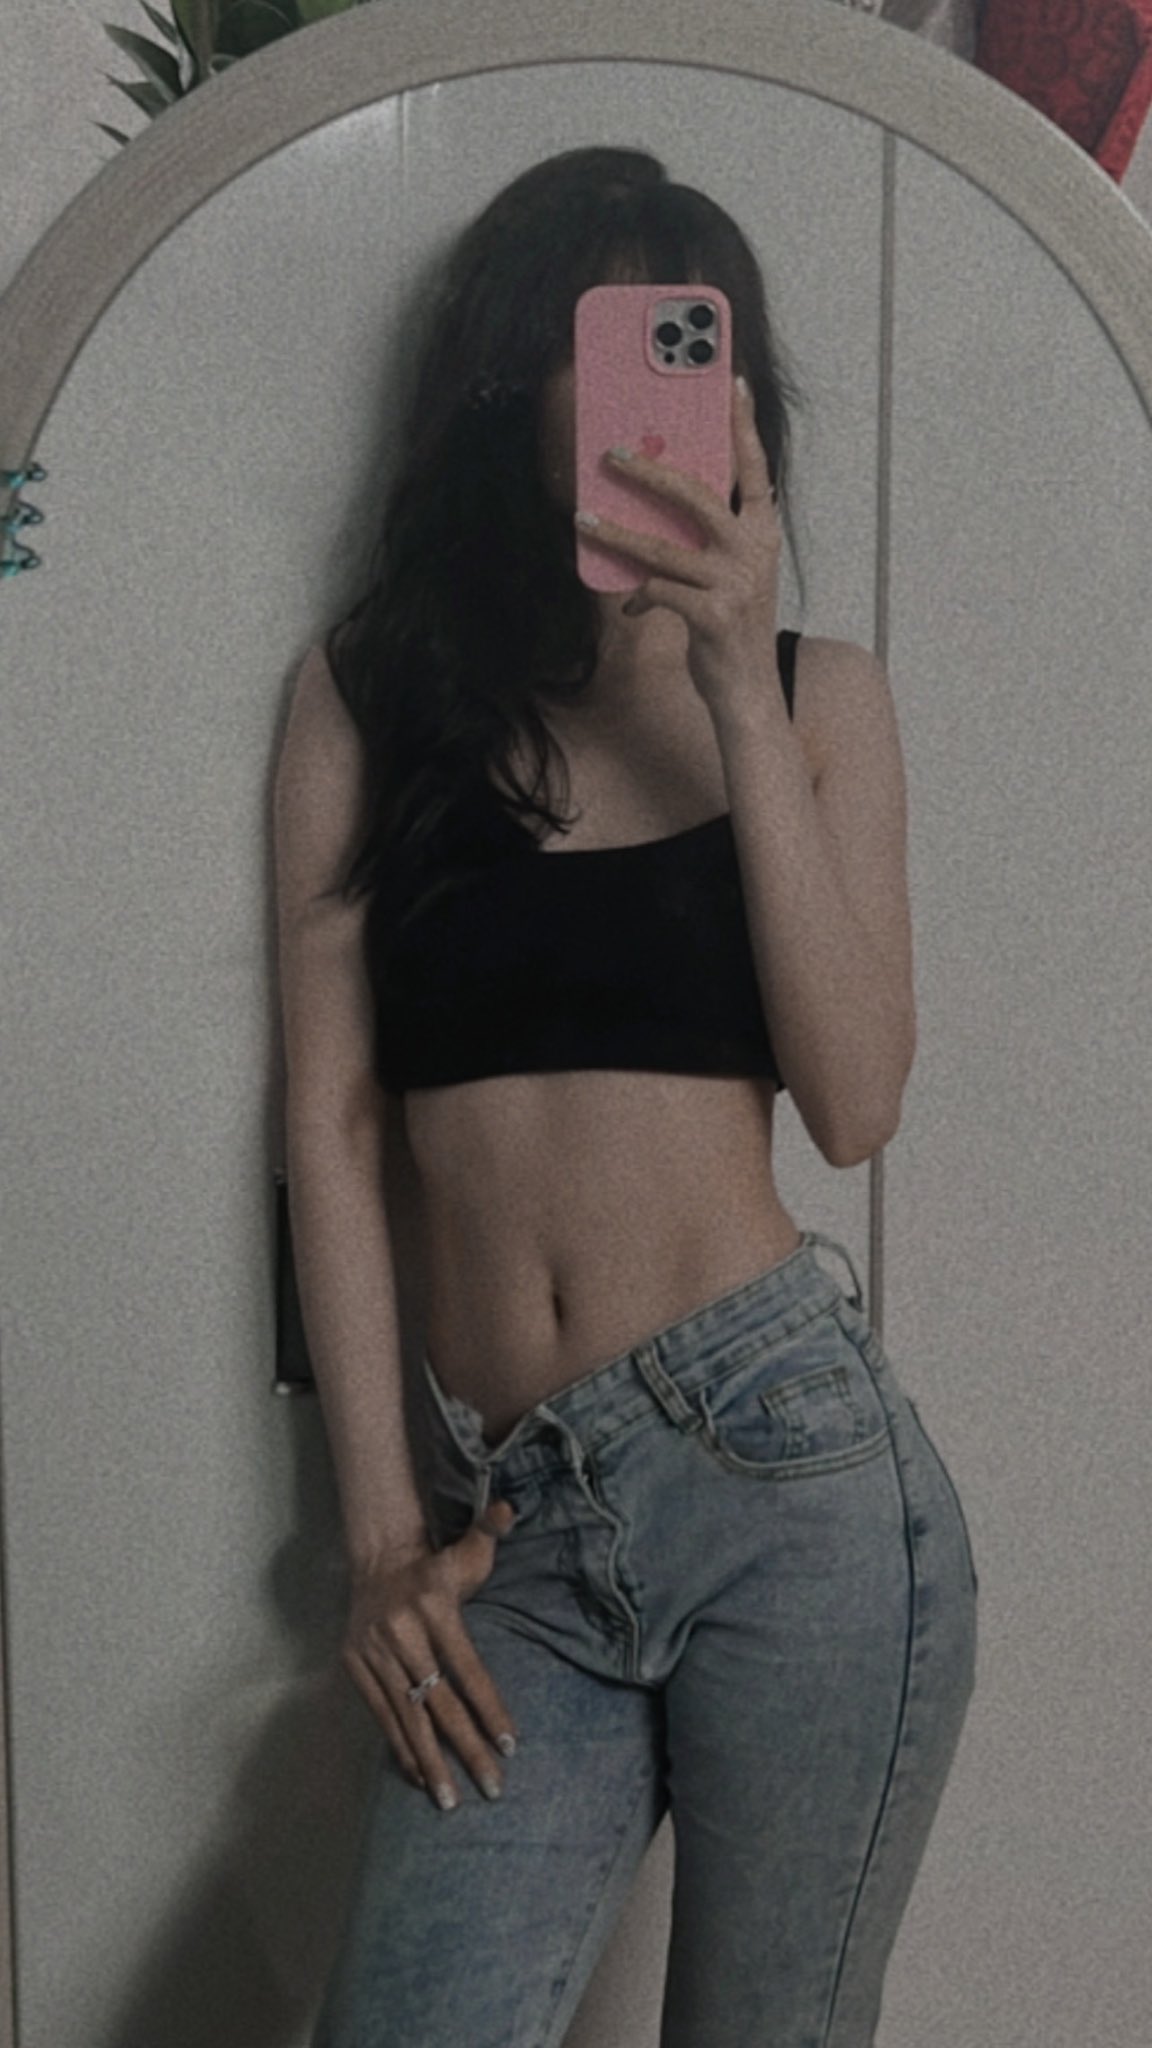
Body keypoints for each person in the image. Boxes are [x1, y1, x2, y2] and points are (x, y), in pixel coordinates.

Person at [275, 145, 978, 2048]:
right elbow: (332, 1124)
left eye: (683, 347)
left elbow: (857, 1102)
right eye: (593, 342)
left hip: (792, 1474)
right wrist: (380, 1540)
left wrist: (737, 685)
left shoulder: (824, 698)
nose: (633, 400)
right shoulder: (368, 699)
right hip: (519, 1517)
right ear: (512, 380)